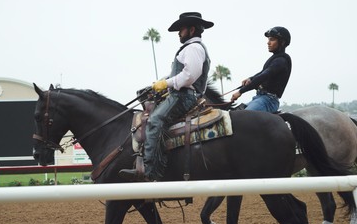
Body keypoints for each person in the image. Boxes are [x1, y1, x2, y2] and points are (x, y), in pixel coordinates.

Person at [119, 12, 213, 181]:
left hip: (184, 96)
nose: (179, 33)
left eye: (181, 29)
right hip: (181, 93)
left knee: (155, 121)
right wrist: (160, 84)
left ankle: (150, 172)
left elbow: (189, 75)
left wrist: (166, 84)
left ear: (191, 30)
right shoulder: (191, 48)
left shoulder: (194, 48)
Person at [231, 26, 292, 112]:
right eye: (268, 39)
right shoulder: (275, 58)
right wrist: (250, 78)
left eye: (272, 39)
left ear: (282, 42)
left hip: (269, 100)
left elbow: (264, 76)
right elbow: (262, 72)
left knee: (243, 118)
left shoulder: (281, 61)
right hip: (260, 98)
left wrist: (241, 91)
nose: (268, 43)